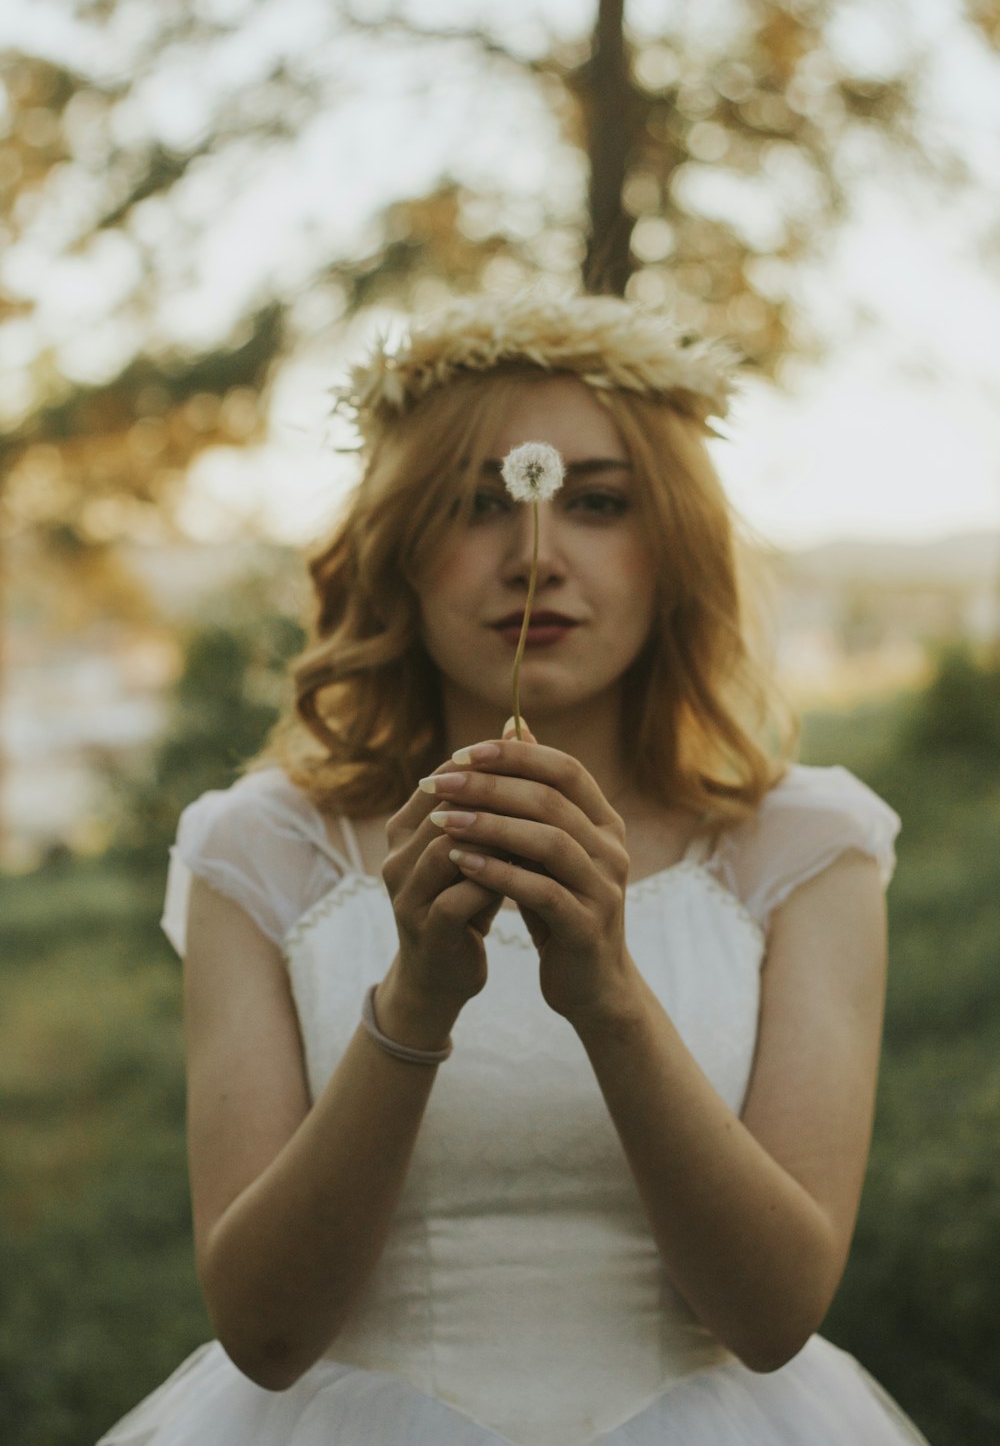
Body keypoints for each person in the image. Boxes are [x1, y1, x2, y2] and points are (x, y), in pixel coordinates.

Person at [98, 292, 931, 1445]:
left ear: (674, 541)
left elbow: (772, 1315)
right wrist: (414, 1001)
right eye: (473, 504)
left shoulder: (803, 849)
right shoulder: (261, 853)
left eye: (597, 503)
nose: (535, 555)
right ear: (397, 548)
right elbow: (266, 1333)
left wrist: (606, 996)